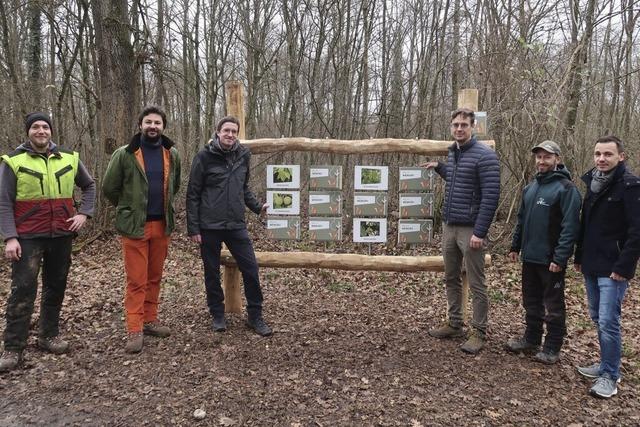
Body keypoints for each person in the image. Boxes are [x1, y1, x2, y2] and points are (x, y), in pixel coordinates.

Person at [0, 112, 95, 372]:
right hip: (28, 236)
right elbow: (4, 201)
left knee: (56, 287)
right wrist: (10, 236)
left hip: (61, 235)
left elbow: (89, 186)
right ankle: (13, 347)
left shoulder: (69, 157)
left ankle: (48, 335)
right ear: (28, 132)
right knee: (23, 290)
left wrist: (84, 213)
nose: (41, 131)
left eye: (45, 127)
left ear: (51, 131)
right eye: (35, 127)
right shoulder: (13, 161)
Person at [102, 106, 181, 354]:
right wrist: (128, 208)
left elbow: (174, 186)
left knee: (154, 277)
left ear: (163, 127)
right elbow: (109, 187)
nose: (153, 126)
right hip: (135, 227)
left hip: (162, 225)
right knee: (137, 280)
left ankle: (150, 319)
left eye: (157, 123)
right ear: (140, 125)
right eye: (148, 122)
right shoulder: (125, 154)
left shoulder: (172, 153)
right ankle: (134, 328)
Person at [423, 108, 500, 354]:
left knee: (476, 282)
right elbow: (460, 179)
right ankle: (455, 323)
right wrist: (440, 167)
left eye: (464, 125)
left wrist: (480, 232)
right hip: (450, 226)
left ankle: (479, 331)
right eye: (455, 125)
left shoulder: (485, 156)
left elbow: (490, 196)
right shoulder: (454, 153)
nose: (459, 128)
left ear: (473, 127)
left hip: (471, 230)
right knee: (451, 277)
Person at [186, 116, 272, 336]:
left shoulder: (243, 155)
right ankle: (217, 313)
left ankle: (255, 315)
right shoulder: (204, 157)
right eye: (226, 130)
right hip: (209, 225)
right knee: (211, 273)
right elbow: (193, 193)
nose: (230, 135)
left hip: (235, 224)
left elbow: (244, 188)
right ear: (217, 132)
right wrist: (193, 228)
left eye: (234, 131)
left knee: (251, 268)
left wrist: (257, 207)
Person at [574, 135, 640, 398]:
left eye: (608, 154)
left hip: (614, 267)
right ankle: (604, 364)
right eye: (598, 154)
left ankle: (610, 376)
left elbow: (637, 231)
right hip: (592, 262)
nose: (601, 159)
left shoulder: (630, 185)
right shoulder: (594, 183)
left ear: (620, 156)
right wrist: (579, 256)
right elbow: (586, 224)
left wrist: (624, 266)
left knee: (608, 321)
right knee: (597, 318)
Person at [506, 140, 581, 364]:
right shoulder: (531, 188)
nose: (542, 161)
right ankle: (531, 339)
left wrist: (560, 257)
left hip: (551, 260)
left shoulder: (567, 189)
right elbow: (521, 220)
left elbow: (570, 227)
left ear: (557, 159)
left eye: (547, 157)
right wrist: (515, 246)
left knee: (554, 306)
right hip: (530, 256)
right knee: (531, 301)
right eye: (539, 157)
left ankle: (552, 347)